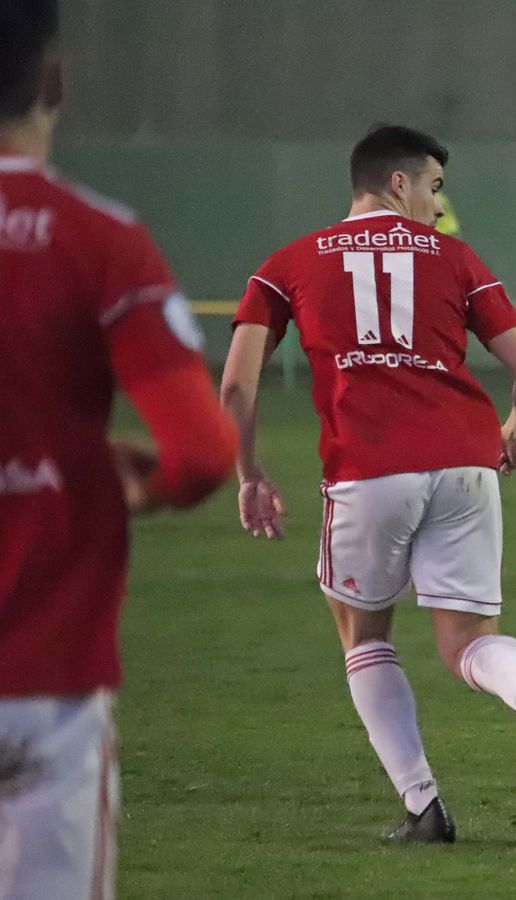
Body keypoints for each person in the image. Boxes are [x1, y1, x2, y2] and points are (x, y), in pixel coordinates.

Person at [220, 124, 516, 843]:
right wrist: (513, 433)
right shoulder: (456, 257)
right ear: (398, 182)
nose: (439, 207)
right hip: (466, 465)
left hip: (370, 468)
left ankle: (424, 808)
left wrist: (249, 471)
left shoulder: (288, 263)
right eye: (435, 188)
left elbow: (235, 385)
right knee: (469, 641)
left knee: (363, 637)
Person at [0, 2, 238, 896]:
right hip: (45, 683)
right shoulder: (99, 239)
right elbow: (203, 452)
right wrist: (145, 487)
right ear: (54, 78)